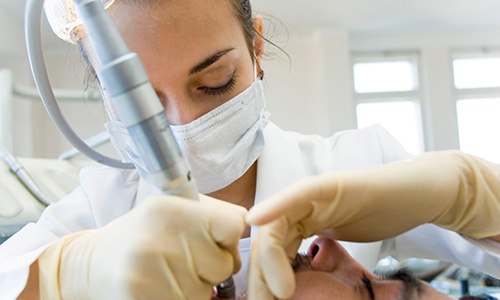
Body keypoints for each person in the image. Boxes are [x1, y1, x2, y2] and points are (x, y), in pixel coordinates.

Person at [0, 0, 498, 299]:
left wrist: (469, 195)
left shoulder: (359, 168)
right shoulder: (96, 212)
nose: (184, 125)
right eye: (144, 106)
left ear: (256, 49)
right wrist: (68, 273)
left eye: (215, 82)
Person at [247, 150, 500, 299]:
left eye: (369, 290)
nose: (325, 245)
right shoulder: (358, 154)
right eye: (379, 277)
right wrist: (463, 194)